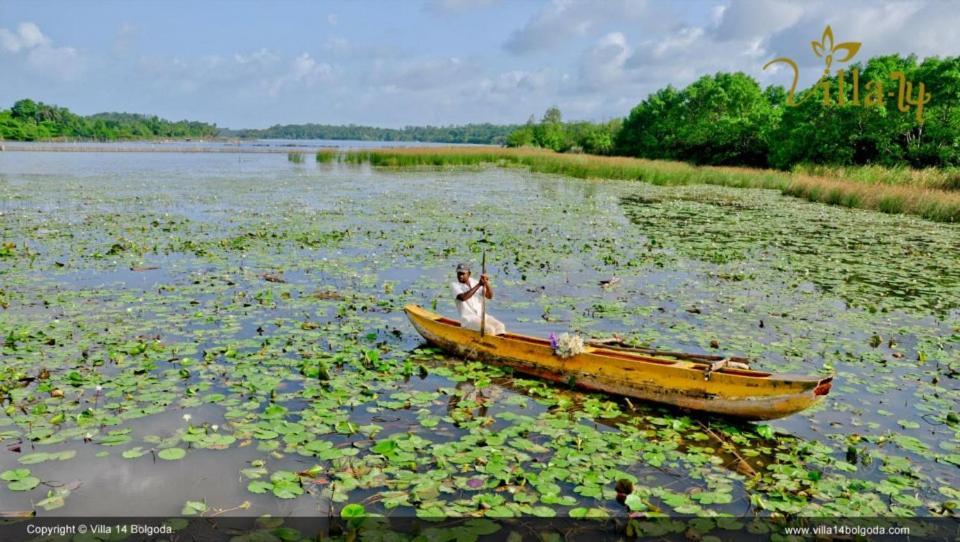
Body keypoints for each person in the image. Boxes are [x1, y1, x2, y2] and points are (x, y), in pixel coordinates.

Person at [450, 262, 506, 335]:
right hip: (469, 320)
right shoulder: (455, 285)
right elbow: (463, 298)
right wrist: (479, 284)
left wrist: (486, 283)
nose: (460, 276)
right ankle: (486, 345)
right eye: (458, 273)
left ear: (469, 274)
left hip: (482, 316)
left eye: (463, 274)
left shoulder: (474, 282)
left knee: (500, 326)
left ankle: (499, 344)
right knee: (489, 330)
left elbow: (489, 296)